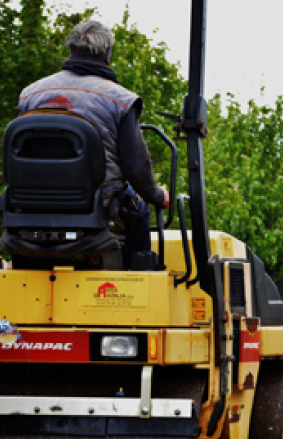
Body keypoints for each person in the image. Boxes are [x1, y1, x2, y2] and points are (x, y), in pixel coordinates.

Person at [17, 19, 169, 268]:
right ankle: (134, 286)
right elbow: (136, 167)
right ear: (107, 57)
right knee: (139, 212)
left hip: (31, 203)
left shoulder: (30, 94)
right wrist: (155, 195)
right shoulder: (120, 99)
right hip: (98, 203)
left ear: (70, 51)